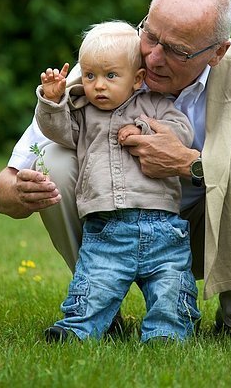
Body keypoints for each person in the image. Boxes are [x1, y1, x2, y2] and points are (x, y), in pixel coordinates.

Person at [0, 0, 231, 339]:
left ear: (217, 53)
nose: (154, 57)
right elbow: (5, 185)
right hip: (108, 226)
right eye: (150, 35)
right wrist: (20, 194)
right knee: (54, 160)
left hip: (205, 230)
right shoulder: (106, 69)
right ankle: (96, 309)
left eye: (177, 50)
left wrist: (187, 163)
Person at [33, 21, 200, 343]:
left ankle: (167, 334)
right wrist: (52, 101)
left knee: (170, 284)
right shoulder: (82, 112)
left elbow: (182, 133)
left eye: (111, 76)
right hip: (106, 227)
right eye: (90, 76)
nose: (98, 86)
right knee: (95, 282)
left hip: (163, 226)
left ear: (137, 79)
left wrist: (145, 131)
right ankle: (76, 330)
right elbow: (56, 133)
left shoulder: (155, 104)